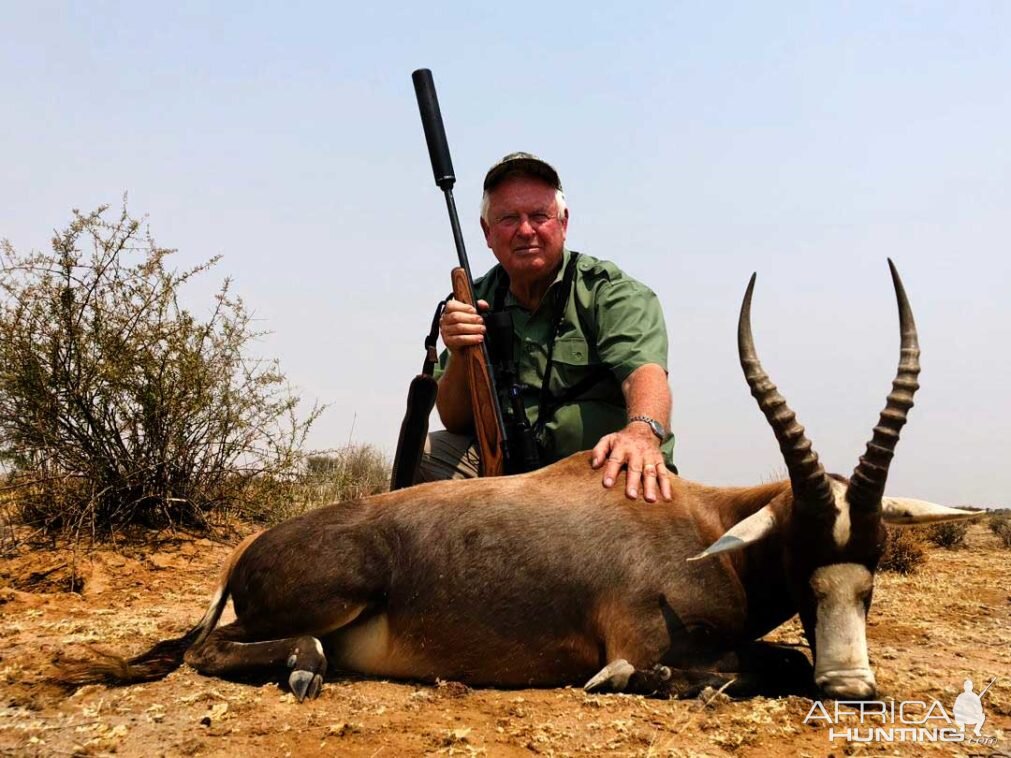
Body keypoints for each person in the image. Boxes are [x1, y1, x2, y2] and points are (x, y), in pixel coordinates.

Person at [418, 152, 675, 502]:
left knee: (635, 474)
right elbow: (455, 420)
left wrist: (642, 433)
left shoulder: (609, 291)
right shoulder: (475, 299)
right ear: (487, 232)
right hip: (509, 472)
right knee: (425, 454)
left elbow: (643, 372)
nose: (525, 231)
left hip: (601, 470)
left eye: (539, 216)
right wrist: (462, 351)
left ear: (563, 223)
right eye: (509, 218)